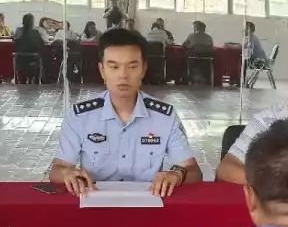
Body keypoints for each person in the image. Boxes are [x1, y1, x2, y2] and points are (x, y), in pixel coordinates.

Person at [50, 28, 201, 197]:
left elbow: (193, 171)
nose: (123, 75)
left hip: (147, 205)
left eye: (132, 66)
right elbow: (57, 169)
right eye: (114, 67)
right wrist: (67, 174)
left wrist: (178, 174)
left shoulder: (165, 117)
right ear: (102, 70)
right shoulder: (80, 116)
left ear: (143, 69)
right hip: (95, 203)